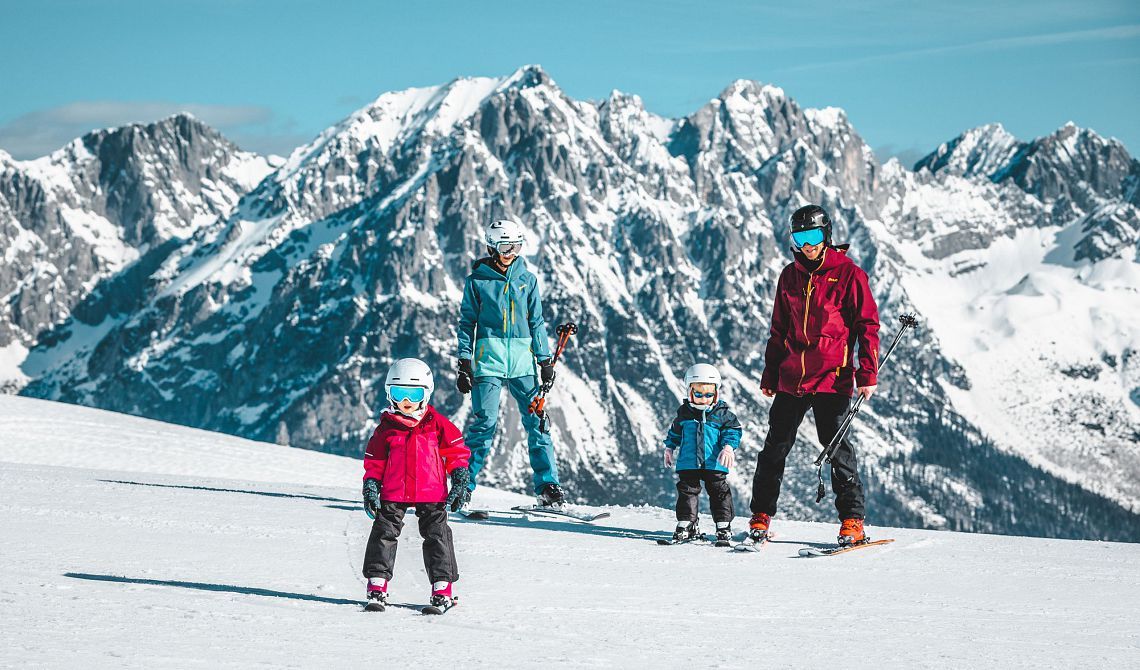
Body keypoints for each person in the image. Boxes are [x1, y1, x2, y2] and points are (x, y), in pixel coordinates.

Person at [748, 204, 881, 546]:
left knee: (836, 448)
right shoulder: (789, 277)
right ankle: (761, 514)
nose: (807, 245)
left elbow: (867, 326)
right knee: (775, 447)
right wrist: (770, 373)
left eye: (813, 236)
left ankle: (852, 520)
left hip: (832, 377)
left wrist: (868, 373)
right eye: (800, 237)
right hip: (792, 376)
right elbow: (778, 329)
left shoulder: (850, 275)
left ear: (826, 236)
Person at [455, 219, 565, 507]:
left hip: (522, 363)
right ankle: (463, 485)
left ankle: (548, 486)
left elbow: (537, 322)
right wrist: (464, 363)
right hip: (488, 362)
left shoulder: (527, 280)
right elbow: (467, 323)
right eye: (505, 247)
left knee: (537, 422)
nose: (511, 253)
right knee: (485, 424)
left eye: (516, 246)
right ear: (492, 247)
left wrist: (544, 360)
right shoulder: (477, 282)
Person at [361, 358, 471, 612]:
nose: (406, 402)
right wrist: (371, 487)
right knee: (383, 533)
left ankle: (442, 588)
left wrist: (460, 478)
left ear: (426, 393)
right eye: (399, 394)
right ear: (390, 394)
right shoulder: (386, 429)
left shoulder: (437, 423)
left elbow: (457, 452)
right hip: (394, 491)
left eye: (413, 394)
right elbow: (375, 462)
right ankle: (377, 585)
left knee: (437, 536)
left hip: (431, 492)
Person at [663, 363, 743, 544]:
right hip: (689, 462)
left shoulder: (722, 414)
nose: (703, 398)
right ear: (689, 391)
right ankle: (686, 523)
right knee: (687, 491)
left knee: (719, 491)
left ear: (716, 392)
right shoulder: (684, 414)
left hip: (714, 462)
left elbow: (733, 431)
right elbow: (675, 432)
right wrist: (669, 447)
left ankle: (723, 525)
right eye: (698, 393)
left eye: (708, 394)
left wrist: (729, 447)